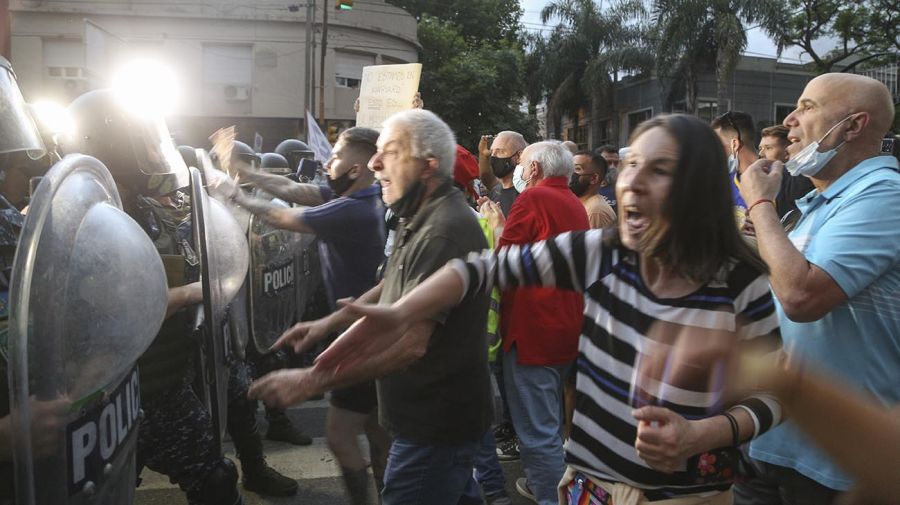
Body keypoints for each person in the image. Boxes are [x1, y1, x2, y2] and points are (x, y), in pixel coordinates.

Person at [316, 114, 785, 504]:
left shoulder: (741, 282)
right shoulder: (600, 250)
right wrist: (402, 311)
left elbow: (773, 397)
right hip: (588, 490)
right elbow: (477, 270)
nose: (632, 181)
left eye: (659, 169)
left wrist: (702, 436)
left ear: (698, 188)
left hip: (689, 497)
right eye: (632, 164)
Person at [249, 109, 494, 505]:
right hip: (424, 419)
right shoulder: (418, 215)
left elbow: (412, 344)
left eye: (390, 152)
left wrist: (312, 381)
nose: (375, 164)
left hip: (433, 426)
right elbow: (388, 286)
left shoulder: (444, 229)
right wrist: (328, 323)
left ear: (428, 165)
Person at [64, 89, 248, 505]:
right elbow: (117, 312)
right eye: (145, 142)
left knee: (210, 479)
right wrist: (188, 294)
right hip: (118, 391)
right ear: (114, 147)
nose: (154, 152)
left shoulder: (144, 209)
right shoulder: (84, 222)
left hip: (160, 377)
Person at [737, 73, 900, 504]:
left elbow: (801, 296)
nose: (789, 119)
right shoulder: (818, 202)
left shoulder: (885, 195)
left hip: (839, 464)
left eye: (807, 107)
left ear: (853, 125)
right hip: (772, 438)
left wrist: (759, 204)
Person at [215, 127, 390, 504]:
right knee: (378, 430)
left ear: (357, 167)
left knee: (343, 435)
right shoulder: (360, 193)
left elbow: (282, 217)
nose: (327, 161)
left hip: (359, 335)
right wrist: (247, 171)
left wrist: (237, 196)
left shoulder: (352, 208)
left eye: (336, 154)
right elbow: (297, 192)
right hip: (368, 330)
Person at [479, 141, 589, 505]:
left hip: (533, 332)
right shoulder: (573, 202)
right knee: (550, 430)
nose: (519, 170)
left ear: (536, 170)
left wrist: (497, 225)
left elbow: (504, 263)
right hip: (564, 329)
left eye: (522, 164)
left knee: (538, 437)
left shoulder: (533, 200)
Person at [757, 125, 814, 221]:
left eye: (768, 148)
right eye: (760, 148)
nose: (761, 154)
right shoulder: (764, 179)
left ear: (788, 151)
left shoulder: (804, 180)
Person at [478, 131, 527, 216]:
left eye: (500, 151)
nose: (493, 157)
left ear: (518, 156)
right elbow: (486, 178)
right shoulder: (496, 190)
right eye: (492, 152)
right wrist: (483, 155)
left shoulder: (526, 194)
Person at [572, 150, 616, 229]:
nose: (570, 173)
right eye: (569, 168)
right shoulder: (583, 204)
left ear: (594, 178)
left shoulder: (595, 211)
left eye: (577, 169)